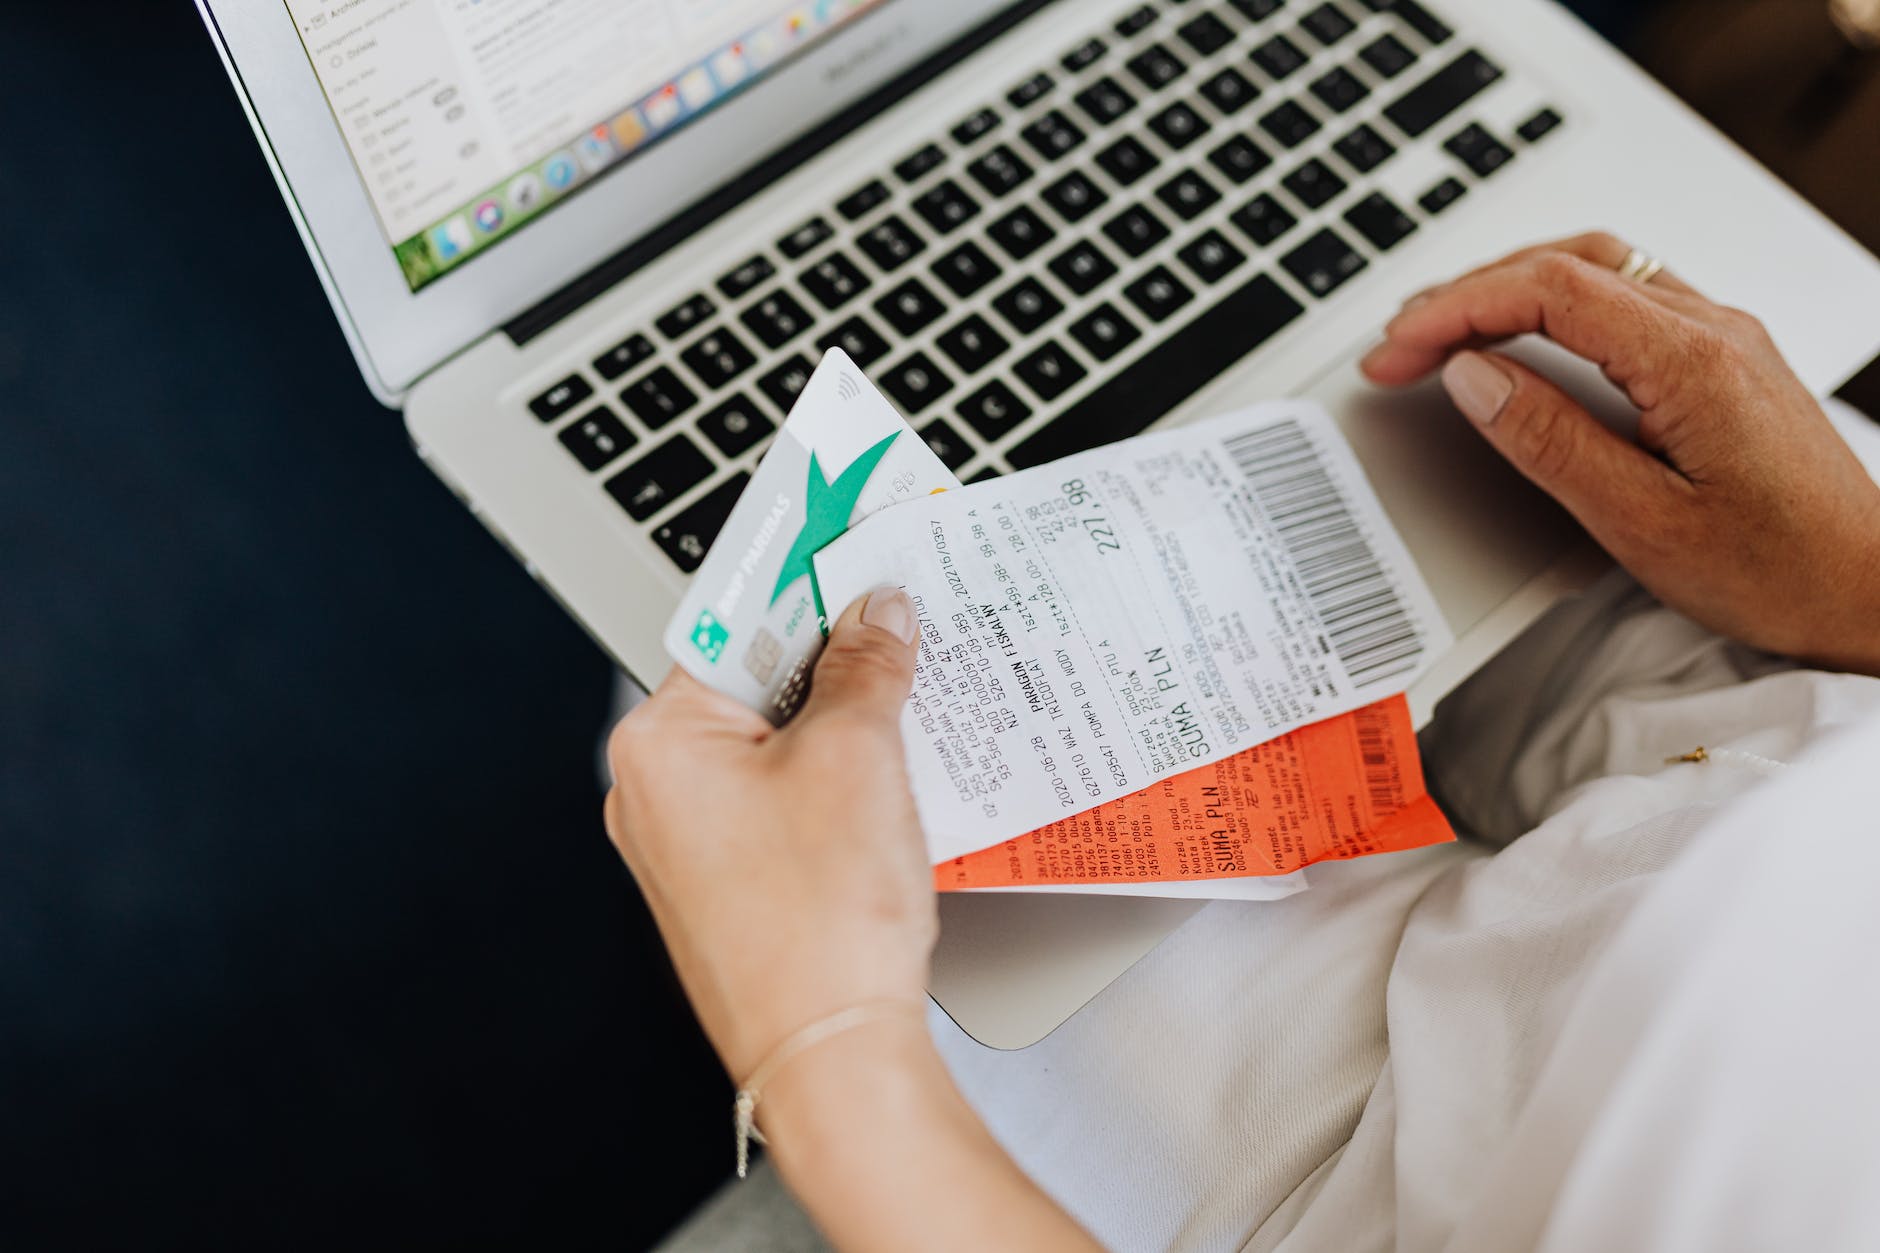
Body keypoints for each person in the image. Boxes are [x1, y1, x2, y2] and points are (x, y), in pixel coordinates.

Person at [606, 233, 1880, 1252]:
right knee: (1437, 428)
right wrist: (1853, 586)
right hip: (1818, 736)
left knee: (674, 686)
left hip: (1380, 1171)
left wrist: (823, 1044)